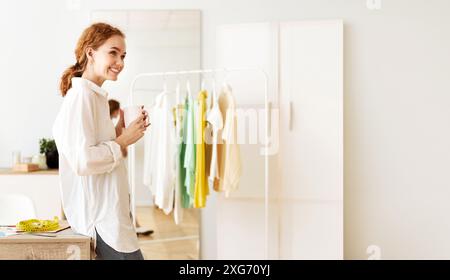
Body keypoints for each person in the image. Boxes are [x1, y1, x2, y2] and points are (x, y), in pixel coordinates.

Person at [53, 22, 149, 260]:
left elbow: (94, 149)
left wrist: (119, 132)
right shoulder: (82, 97)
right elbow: (83, 161)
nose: (120, 62)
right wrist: (122, 142)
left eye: (123, 56)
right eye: (113, 52)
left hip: (111, 218)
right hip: (102, 222)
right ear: (90, 52)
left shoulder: (95, 98)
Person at [108, 99, 154, 237]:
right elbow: (121, 149)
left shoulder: (108, 125)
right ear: (116, 110)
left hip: (116, 169)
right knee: (124, 199)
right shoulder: (109, 125)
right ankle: (135, 226)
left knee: (125, 199)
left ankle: (136, 225)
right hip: (114, 170)